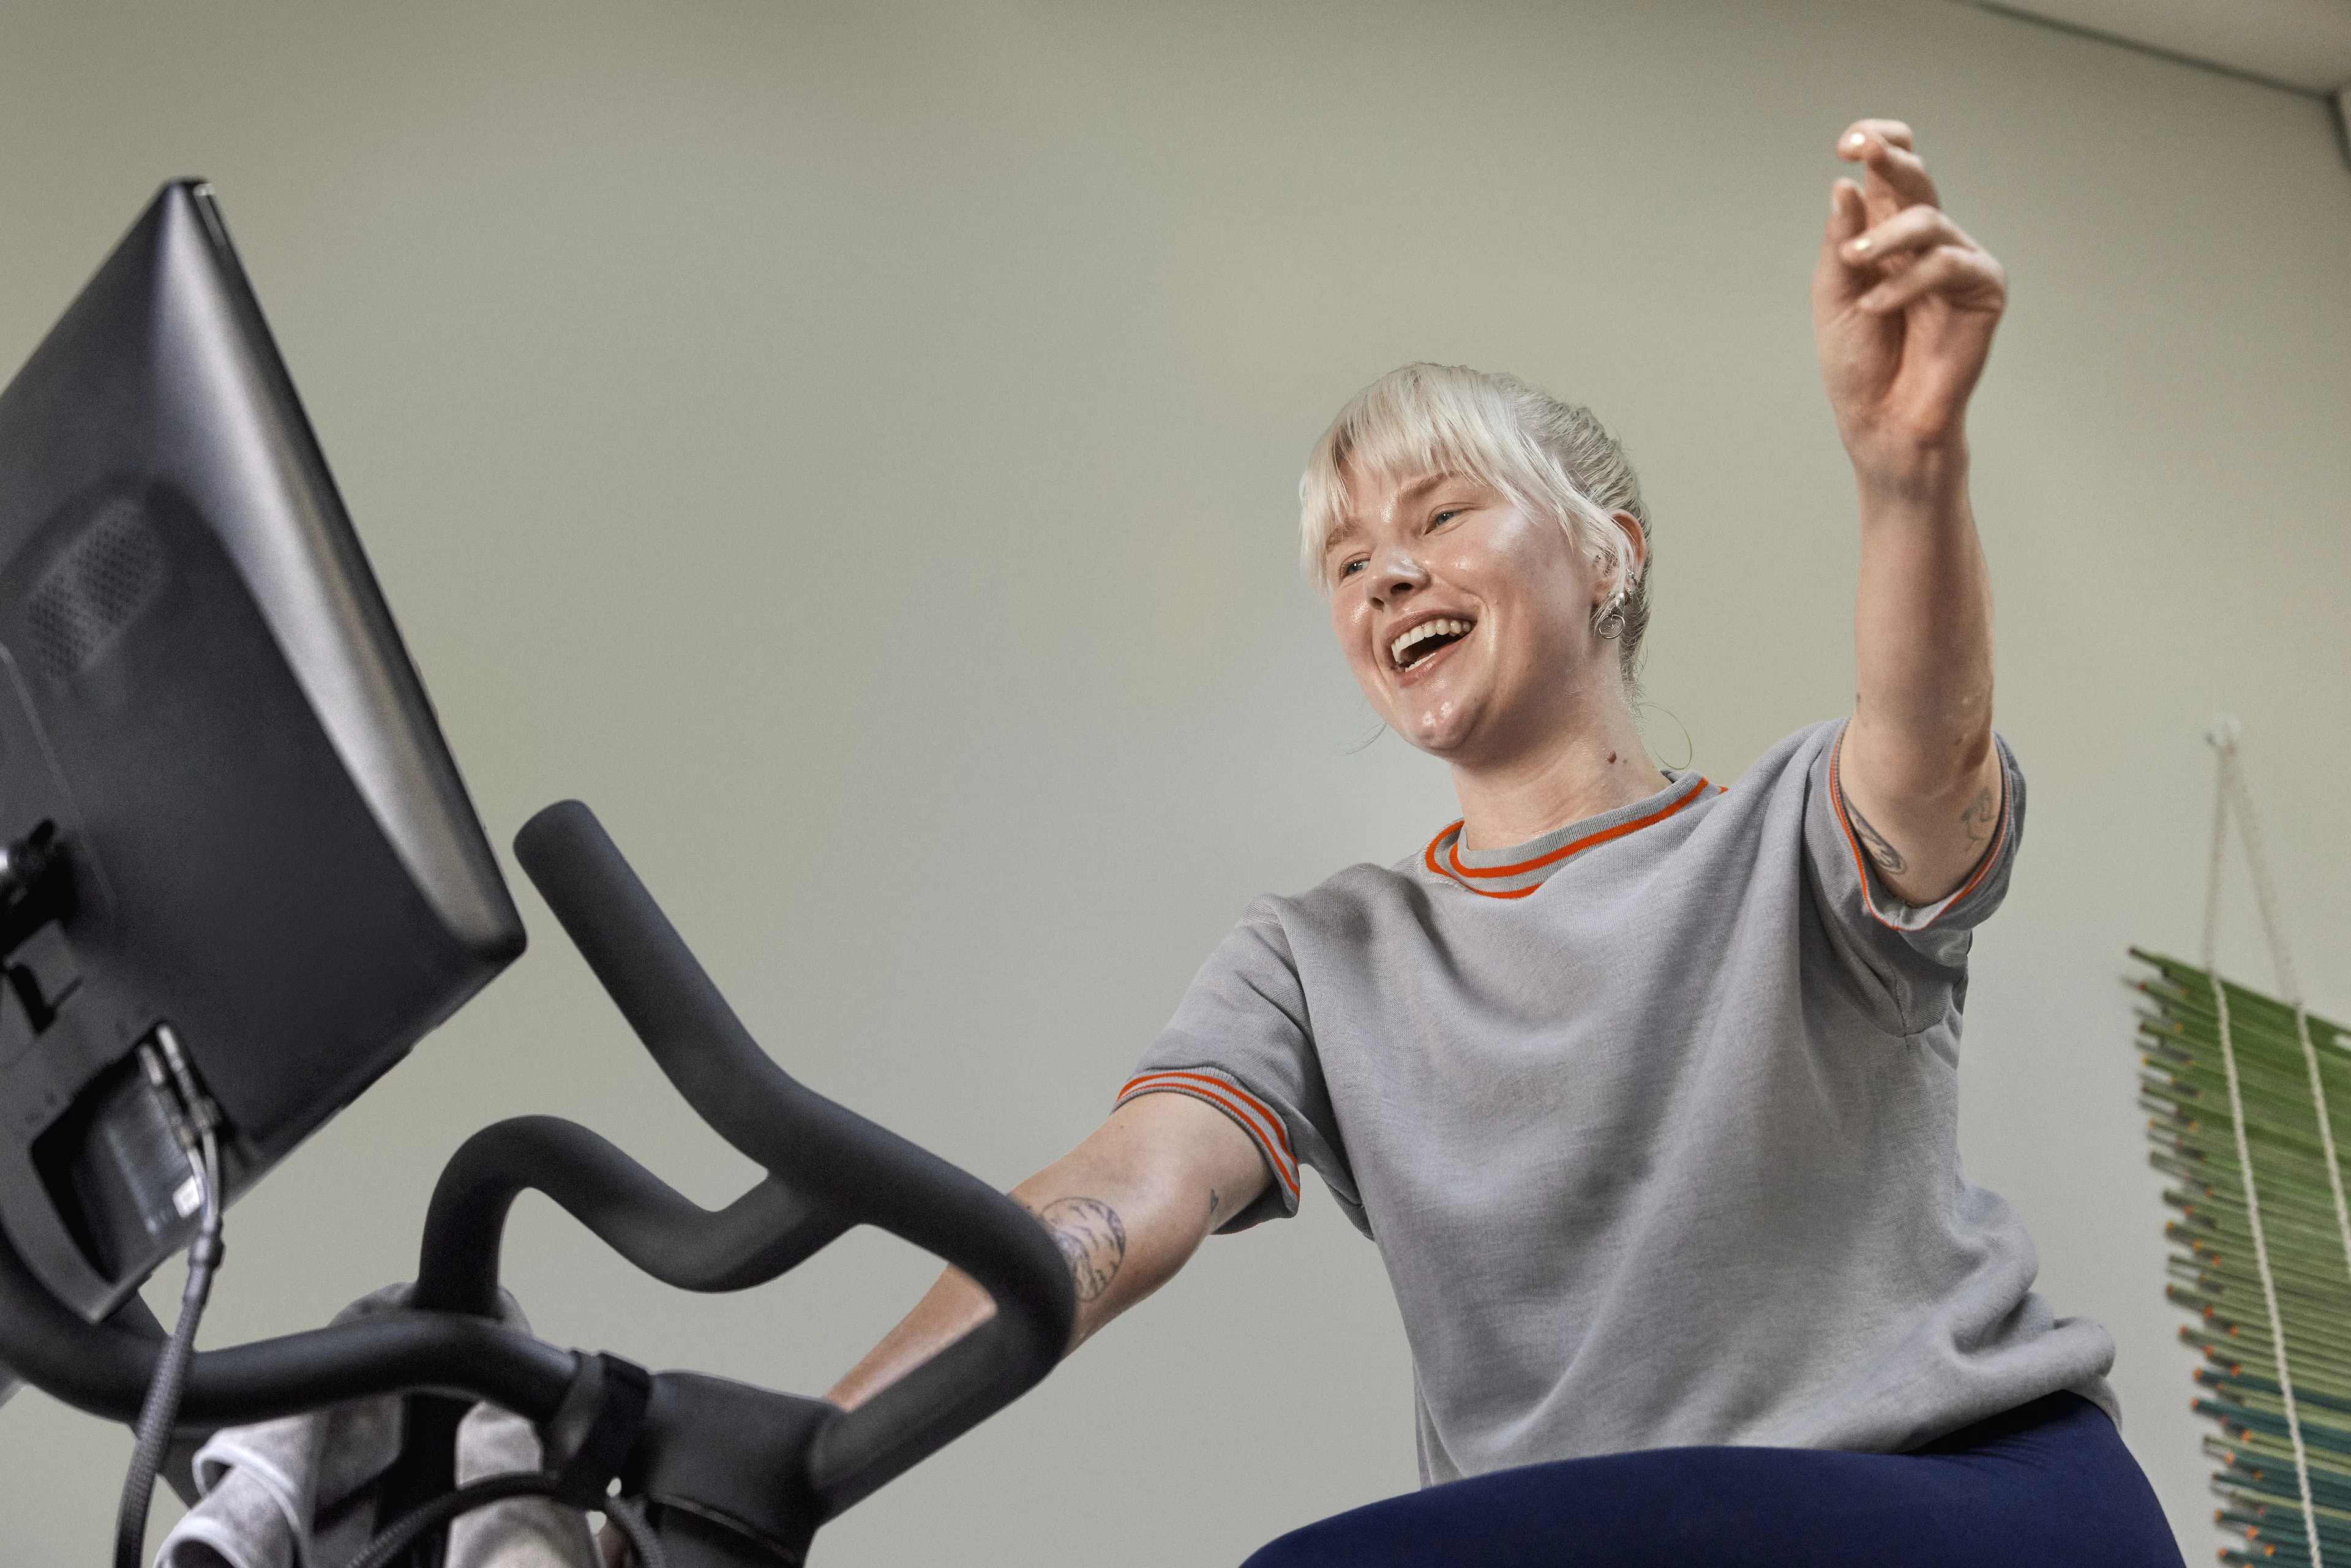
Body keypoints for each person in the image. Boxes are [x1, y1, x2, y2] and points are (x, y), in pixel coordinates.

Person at [821, 121, 2185, 1566]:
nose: (1387, 572)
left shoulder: (1794, 843)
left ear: (1608, 554)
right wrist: (806, 1455)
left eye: (1443, 511)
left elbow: (1929, 752)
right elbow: (1124, 1191)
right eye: (1348, 560)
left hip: (1977, 1505)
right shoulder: (1322, 959)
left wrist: (1913, 468)